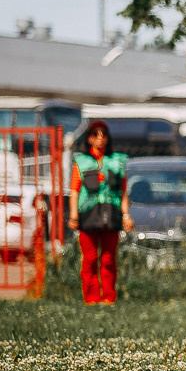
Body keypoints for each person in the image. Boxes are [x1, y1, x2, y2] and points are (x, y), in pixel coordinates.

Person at [66, 120, 134, 305]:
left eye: (103, 134)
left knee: (108, 259)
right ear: (89, 139)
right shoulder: (81, 162)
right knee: (89, 258)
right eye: (96, 134)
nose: (100, 138)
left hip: (112, 214)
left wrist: (126, 215)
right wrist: (73, 216)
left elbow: (123, 192)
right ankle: (91, 297)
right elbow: (74, 191)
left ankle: (109, 296)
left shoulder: (117, 161)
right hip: (88, 214)